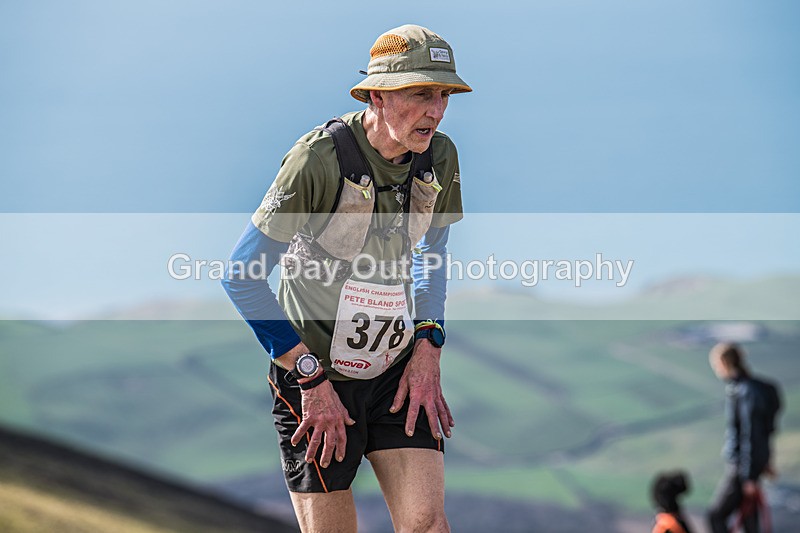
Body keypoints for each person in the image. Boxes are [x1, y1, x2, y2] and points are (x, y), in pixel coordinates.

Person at [222, 24, 470, 532]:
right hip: (317, 379)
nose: (437, 110)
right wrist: (308, 376)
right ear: (378, 94)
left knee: (429, 525)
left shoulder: (440, 157)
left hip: (398, 371)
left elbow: (433, 256)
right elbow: (242, 275)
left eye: (443, 94)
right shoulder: (316, 160)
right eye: (422, 93)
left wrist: (429, 344)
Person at [707, 342, 776, 533]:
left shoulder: (744, 392)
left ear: (723, 363)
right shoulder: (755, 389)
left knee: (716, 516)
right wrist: (764, 462)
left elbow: (750, 434)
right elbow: (766, 432)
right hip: (752, 465)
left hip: (741, 467)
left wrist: (749, 477)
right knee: (748, 521)